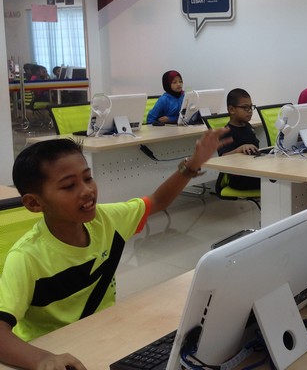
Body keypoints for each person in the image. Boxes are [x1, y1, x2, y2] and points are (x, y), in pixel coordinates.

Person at [0, 128, 230, 370]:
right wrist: (42, 359)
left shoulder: (107, 220)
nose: (87, 190)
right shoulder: (26, 258)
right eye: (69, 186)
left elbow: (157, 201)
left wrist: (192, 165)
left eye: (88, 178)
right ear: (34, 203)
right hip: (52, 351)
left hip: (104, 333)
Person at [217, 88, 260, 190]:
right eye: (245, 108)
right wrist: (240, 149)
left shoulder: (248, 127)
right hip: (239, 178)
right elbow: (223, 158)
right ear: (231, 109)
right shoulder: (225, 132)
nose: (250, 111)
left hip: (252, 170)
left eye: (251, 107)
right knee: (272, 180)